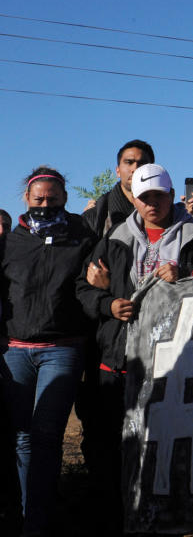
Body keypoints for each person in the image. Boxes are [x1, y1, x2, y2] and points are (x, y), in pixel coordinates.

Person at [75, 163, 193, 529]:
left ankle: (178, 519)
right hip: (124, 360)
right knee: (118, 448)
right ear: (135, 201)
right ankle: (120, 517)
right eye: (144, 197)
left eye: (158, 195)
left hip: (181, 365)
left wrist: (187, 273)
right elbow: (83, 289)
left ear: (172, 196)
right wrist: (107, 303)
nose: (152, 203)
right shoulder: (114, 240)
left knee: (174, 447)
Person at [0, 166, 96, 536]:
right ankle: (29, 514)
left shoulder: (81, 237)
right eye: (38, 199)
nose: (45, 204)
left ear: (64, 199)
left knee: (46, 433)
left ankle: (38, 520)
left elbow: (87, 286)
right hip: (15, 349)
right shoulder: (11, 242)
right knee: (22, 435)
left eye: (52, 199)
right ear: (26, 199)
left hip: (62, 348)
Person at [81, 139, 155, 239]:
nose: (135, 168)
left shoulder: (165, 212)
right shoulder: (95, 217)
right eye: (129, 162)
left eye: (142, 163)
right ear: (118, 171)